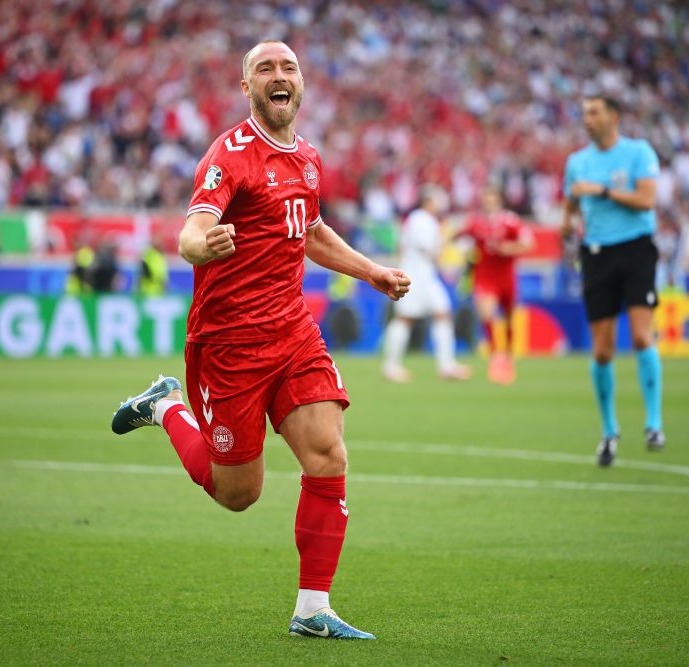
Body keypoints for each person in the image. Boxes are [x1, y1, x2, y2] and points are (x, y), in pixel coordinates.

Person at [110, 40, 411, 640]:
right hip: (229, 345)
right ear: (246, 87)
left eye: (289, 68)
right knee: (237, 494)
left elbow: (312, 230)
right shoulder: (229, 155)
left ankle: (312, 610)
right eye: (265, 69)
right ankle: (166, 405)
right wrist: (205, 244)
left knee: (327, 454)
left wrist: (371, 270)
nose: (279, 76)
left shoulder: (307, 157)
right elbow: (191, 233)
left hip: (294, 331)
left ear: (302, 83)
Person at [562, 95, 665, 467]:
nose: (587, 118)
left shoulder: (638, 152)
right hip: (596, 255)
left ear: (613, 117)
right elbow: (571, 203)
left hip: (636, 250)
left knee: (641, 335)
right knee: (602, 350)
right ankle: (609, 431)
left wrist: (601, 191)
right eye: (585, 112)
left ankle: (654, 423)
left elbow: (647, 199)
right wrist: (566, 223)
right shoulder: (577, 162)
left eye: (594, 112)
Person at [381, 185, 472, 383]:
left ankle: (446, 365)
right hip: (415, 275)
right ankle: (391, 366)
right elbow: (427, 248)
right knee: (405, 318)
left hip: (425, 274)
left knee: (442, 313)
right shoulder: (421, 219)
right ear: (428, 201)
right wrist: (449, 246)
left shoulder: (420, 219)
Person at [459, 186, 534, 384]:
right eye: (485, 198)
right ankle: (495, 356)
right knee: (486, 314)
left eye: (492, 199)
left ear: (498, 200)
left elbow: (529, 243)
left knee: (509, 318)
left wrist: (509, 248)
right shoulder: (476, 223)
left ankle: (508, 354)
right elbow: (459, 235)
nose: (488, 202)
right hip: (485, 277)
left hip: (506, 277)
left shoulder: (510, 221)